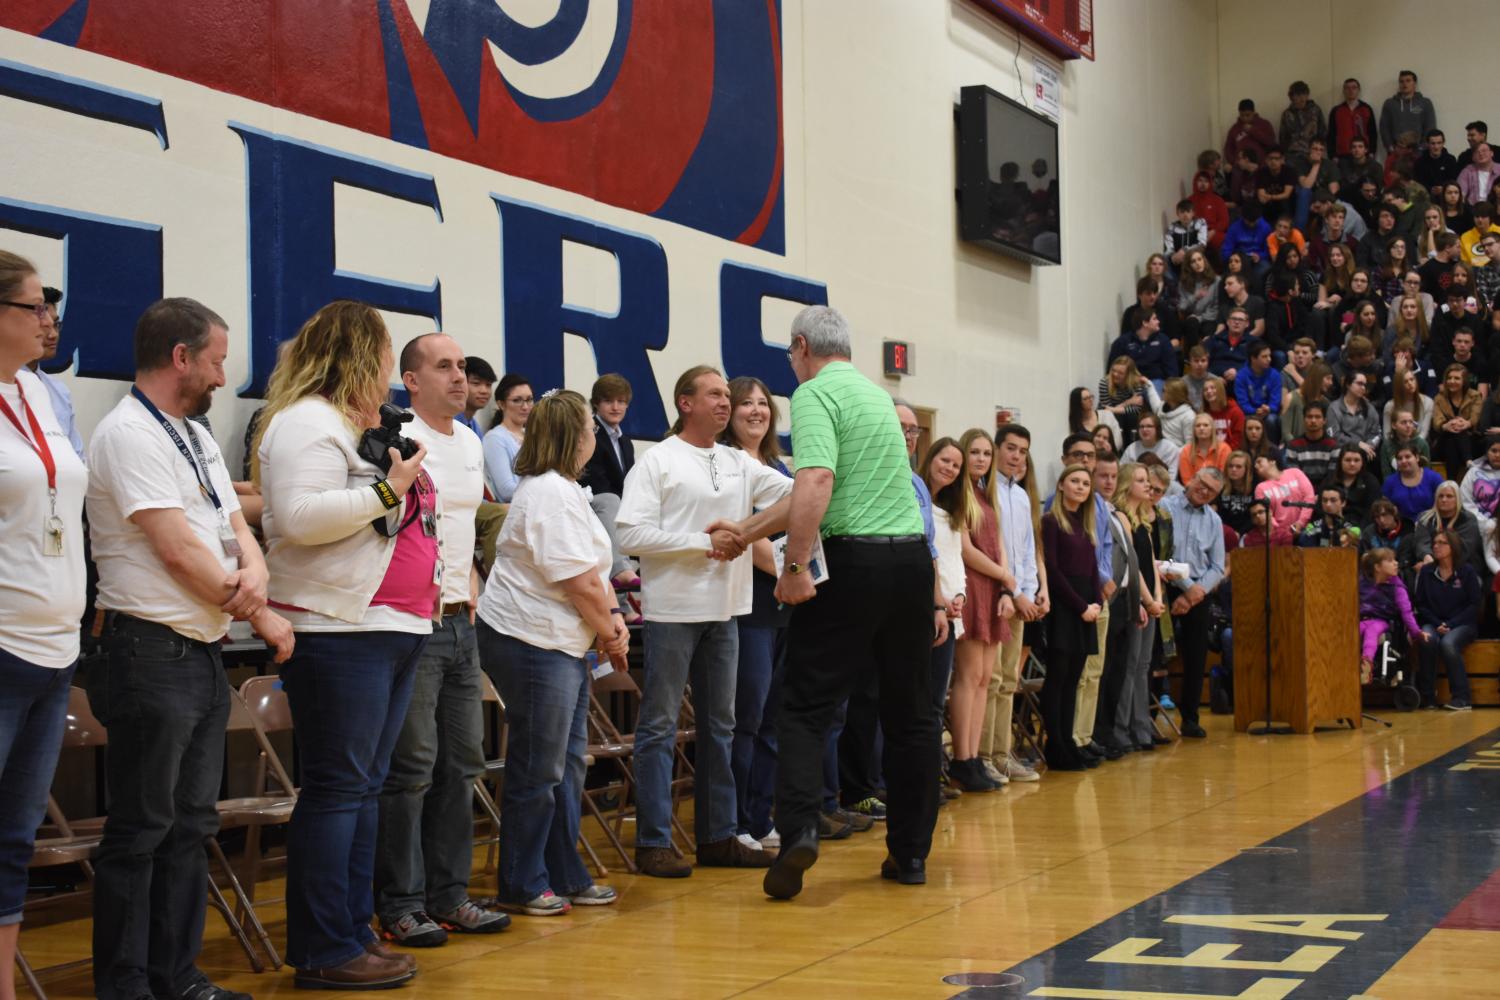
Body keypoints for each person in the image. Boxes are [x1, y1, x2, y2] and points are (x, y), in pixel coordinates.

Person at [87, 297, 292, 1000]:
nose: (223, 374)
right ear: (180, 358)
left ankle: (179, 977)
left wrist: (254, 582)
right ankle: (126, 985)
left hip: (201, 650)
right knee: (141, 828)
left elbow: (238, 532)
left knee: (190, 825)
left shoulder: (195, 436)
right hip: (148, 650)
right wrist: (261, 616)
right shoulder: (127, 434)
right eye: (216, 360)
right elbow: (177, 552)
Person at [712, 305, 940, 899]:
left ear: (802, 346)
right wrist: (746, 530)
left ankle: (798, 836)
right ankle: (910, 855)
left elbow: (816, 483)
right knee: (913, 715)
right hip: (911, 563)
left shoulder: (813, 394)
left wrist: (792, 568)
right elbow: (821, 491)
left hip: (855, 563)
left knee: (805, 705)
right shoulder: (874, 397)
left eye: (791, 354)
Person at [254, 300, 435, 989]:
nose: (389, 368)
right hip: (338, 628)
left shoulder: (352, 425)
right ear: (358, 353)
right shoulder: (306, 422)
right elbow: (299, 520)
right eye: (384, 353)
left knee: (362, 790)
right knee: (337, 790)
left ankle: (353, 929)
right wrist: (388, 491)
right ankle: (324, 946)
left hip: (390, 625)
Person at [615, 365, 792, 877]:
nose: (725, 403)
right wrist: (702, 542)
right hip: (673, 611)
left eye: (726, 396)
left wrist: (746, 529)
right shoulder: (659, 461)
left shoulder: (737, 461)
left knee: (721, 727)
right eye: (714, 395)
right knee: (659, 727)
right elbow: (630, 535)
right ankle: (653, 841)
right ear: (684, 402)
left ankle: (717, 836)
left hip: (727, 612)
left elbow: (791, 495)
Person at [374, 335, 508, 944]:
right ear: (411, 379)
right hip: (412, 623)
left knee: (463, 762)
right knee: (412, 767)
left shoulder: (472, 442)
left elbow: (459, 524)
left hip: (461, 620)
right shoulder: (396, 433)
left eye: (462, 367)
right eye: (445, 367)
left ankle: (450, 895)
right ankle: (400, 902)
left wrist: (473, 576)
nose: (461, 378)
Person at [473, 388, 627, 917]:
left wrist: (615, 622)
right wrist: (608, 629)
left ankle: (564, 871)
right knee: (539, 769)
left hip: (562, 643)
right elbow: (580, 583)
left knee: (565, 766)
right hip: (530, 641)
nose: (593, 436)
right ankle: (522, 880)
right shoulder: (548, 495)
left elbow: (596, 576)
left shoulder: (568, 490)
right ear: (574, 436)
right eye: (588, 426)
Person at [0, 254, 88, 999]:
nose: (47, 318)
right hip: (1, 641)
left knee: (14, 840)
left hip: (54, 643)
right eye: (33, 306)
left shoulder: (43, 393)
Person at [722, 376, 793, 850]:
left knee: (774, 719)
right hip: (749, 605)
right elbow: (748, 537)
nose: (755, 410)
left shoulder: (777, 465)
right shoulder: (726, 464)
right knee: (746, 717)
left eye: (762, 403)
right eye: (745, 403)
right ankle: (736, 822)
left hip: (786, 603)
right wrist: (793, 571)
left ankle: (760, 814)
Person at [948, 429, 1014, 792]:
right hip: (971, 586)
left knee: (986, 680)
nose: (980, 459)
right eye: (974, 452)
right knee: (969, 677)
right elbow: (967, 549)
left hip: (992, 588)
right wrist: (1004, 573)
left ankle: (975, 757)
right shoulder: (960, 496)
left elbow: (999, 542)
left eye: (986, 454)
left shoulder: (986, 496)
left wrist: (1005, 585)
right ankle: (961, 759)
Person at [981, 424, 1044, 784]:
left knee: (1007, 680)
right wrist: (1012, 589)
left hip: (1018, 596)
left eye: (1023, 450)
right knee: (989, 679)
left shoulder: (1021, 495)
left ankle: (1002, 754)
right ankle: (983, 755)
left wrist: (1031, 590)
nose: (1017, 456)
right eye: (1011, 448)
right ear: (997, 448)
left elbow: (1025, 550)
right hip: (994, 594)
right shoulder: (985, 491)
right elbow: (993, 548)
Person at [1040, 465, 1101, 772]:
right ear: (1062, 485)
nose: (1080, 487)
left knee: (1074, 679)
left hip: (1086, 606)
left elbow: (1092, 568)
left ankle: (1068, 741)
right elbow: (1052, 569)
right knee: (1058, 679)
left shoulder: (1086, 524)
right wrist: (1080, 606)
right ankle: (1056, 745)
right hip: (1066, 606)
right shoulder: (1052, 522)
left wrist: (1098, 601)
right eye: (1074, 481)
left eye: (1085, 483)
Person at [1160, 468, 1227, 738]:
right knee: (1157, 654)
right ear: (1192, 479)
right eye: (1202, 484)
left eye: (1211, 490)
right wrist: (1188, 590)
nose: (1204, 491)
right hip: (1165, 588)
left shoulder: (1214, 520)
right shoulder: (1166, 506)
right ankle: (1150, 717)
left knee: (1196, 656)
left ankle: (1190, 718)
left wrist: (1195, 592)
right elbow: (1162, 553)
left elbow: (1218, 566)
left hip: (1198, 593)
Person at [922, 437, 972, 792]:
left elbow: (956, 561)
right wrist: (939, 599)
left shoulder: (954, 511)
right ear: (931, 458)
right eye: (945, 460)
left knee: (936, 701)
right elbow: (928, 558)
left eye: (956, 465)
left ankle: (932, 775)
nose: (949, 468)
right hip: (924, 609)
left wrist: (960, 597)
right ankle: (919, 777)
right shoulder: (916, 499)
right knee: (920, 701)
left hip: (950, 613)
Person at [1107, 463, 1165, 752]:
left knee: (1143, 667)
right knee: (1129, 667)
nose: (1148, 486)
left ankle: (1142, 728)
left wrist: (1157, 595)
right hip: (1134, 600)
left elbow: (1150, 560)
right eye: (1141, 480)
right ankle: (1122, 729)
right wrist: (1146, 599)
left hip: (1149, 599)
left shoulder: (1143, 518)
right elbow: (1132, 564)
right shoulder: (1120, 516)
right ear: (1127, 483)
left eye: (1149, 481)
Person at [578, 373, 640, 592]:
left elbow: (630, 482)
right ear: (596, 403)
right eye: (609, 401)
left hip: (615, 505)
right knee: (611, 501)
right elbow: (595, 481)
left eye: (621, 401)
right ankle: (622, 570)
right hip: (593, 501)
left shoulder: (626, 442)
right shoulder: (590, 433)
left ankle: (628, 603)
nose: (615, 407)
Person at [1412, 528, 1480, 710]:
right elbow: (1421, 604)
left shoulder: (1466, 571)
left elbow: (1474, 604)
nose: (1436, 546)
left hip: (1462, 624)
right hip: (1434, 621)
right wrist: (1437, 624)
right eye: (1434, 543)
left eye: (1442, 543)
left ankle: (1462, 698)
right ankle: (1428, 697)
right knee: (1427, 638)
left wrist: (1450, 624)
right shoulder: (1427, 572)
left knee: (1448, 644)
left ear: (1453, 546)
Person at [22, 285, 83, 460]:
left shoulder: (59, 392)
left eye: (56, 324)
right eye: (43, 325)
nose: (53, 334)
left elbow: (77, 457)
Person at [1357, 547, 1422, 685]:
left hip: (1382, 622)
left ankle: (1366, 667)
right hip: (1362, 620)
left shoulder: (1398, 589)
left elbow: (1407, 614)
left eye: (1395, 560)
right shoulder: (1361, 583)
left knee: (1372, 630)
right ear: (1377, 567)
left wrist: (1416, 633)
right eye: (1390, 560)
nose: (1396, 563)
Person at [1411, 480, 1485, 578]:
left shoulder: (1468, 519)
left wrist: (1436, 565)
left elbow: (1464, 550)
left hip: (1464, 567)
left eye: (1449, 496)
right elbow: (1422, 542)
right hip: (1430, 563)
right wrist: (1426, 556)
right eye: (1440, 496)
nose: (1444, 499)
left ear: (1458, 499)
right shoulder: (1425, 518)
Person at [481, 373, 533, 502]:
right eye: (517, 400)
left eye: (529, 399)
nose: (525, 406)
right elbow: (506, 490)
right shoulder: (494, 438)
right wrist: (545, 493)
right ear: (501, 404)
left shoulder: (532, 434)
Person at [1432, 363, 1484, 477]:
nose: (1452, 381)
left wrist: (1467, 423)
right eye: (1449, 378)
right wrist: (1446, 426)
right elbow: (1437, 421)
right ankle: (1468, 461)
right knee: (1453, 435)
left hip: (1469, 441)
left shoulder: (1475, 396)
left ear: (1464, 380)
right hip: (1443, 441)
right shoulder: (1439, 397)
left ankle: (1451, 481)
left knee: (1455, 439)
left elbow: (1476, 416)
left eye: (1456, 378)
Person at [1108, 306, 1177, 386]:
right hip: (1130, 383)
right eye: (1154, 319)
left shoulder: (1163, 340)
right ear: (1145, 323)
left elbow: (1171, 368)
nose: (1158, 321)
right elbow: (1112, 369)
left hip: (1155, 382)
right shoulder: (1122, 342)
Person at [1253, 453, 1314, 539]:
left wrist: (1301, 523)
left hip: (1307, 526)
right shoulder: (1260, 488)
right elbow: (1266, 514)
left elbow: (1309, 498)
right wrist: (1282, 533)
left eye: (1259, 461)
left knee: (1313, 534)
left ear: (1272, 461)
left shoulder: (1295, 472)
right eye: (1254, 464)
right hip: (1279, 535)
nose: (1255, 466)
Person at [1327, 371, 1382, 460]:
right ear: (1348, 385)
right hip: (1340, 455)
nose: (1363, 388)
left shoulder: (1369, 407)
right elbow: (1334, 435)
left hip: (1365, 455)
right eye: (1359, 384)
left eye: (1365, 385)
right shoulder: (1334, 408)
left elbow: (1376, 433)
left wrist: (1369, 446)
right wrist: (1358, 444)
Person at [1234, 341, 1282, 441]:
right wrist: (1254, 411)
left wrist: (1268, 409)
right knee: (1242, 421)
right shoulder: (1241, 376)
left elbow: (1276, 401)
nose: (1269, 359)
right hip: (1248, 413)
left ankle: (1271, 450)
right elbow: (1242, 402)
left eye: (1269, 356)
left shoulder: (1275, 375)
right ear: (1253, 358)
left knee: (1272, 420)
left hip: (1268, 413)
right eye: (1264, 356)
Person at [1382, 445, 1443, 522]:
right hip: (1401, 526)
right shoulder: (1390, 482)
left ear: (1417, 458)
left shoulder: (1434, 478)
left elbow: (1442, 502)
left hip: (1430, 523)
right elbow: (1385, 506)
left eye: (1407, 457)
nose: (1403, 461)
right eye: (1400, 459)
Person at [1284, 400, 1340, 484]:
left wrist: (1320, 495)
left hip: (1325, 493)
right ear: (1304, 419)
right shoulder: (1293, 446)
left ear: (1324, 420)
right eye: (1309, 417)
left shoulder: (1333, 446)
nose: (1313, 420)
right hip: (1302, 493)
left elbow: (1331, 477)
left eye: (1317, 417)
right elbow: (1294, 478)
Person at [1279, 82, 1326, 172]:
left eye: (1300, 95)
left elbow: (1322, 131)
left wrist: (1319, 151)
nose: (1297, 98)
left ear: (1307, 95)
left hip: (1313, 152)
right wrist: (1283, 155)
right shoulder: (1287, 114)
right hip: (1293, 154)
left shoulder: (1315, 110)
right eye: (1293, 95)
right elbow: (1283, 137)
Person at [1459, 437, 1500, 537]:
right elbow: (1465, 501)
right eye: (1493, 451)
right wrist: (1485, 523)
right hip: (1475, 524)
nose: (1497, 455)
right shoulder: (1473, 472)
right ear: (1486, 452)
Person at [1297, 484, 1361, 548]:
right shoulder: (1313, 527)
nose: (1328, 504)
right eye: (1324, 500)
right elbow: (1307, 552)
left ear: (1343, 503)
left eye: (1333, 500)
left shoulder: (1352, 528)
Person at [1328, 78, 1377, 158]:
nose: (1350, 90)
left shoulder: (1366, 109)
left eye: (1354, 87)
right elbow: (1331, 135)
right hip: (1342, 155)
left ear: (1358, 90)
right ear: (1344, 91)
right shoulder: (1336, 111)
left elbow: (1372, 133)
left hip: (1363, 154)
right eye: (1347, 88)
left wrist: (1372, 151)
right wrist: (1332, 155)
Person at [1179, 412, 1231, 486]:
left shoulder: (1224, 448)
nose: (1201, 428)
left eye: (1206, 425)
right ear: (1194, 430)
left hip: (1218, 490)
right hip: (1195, 492)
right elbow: (1187, 480)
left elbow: (1224, 477)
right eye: (1198, 425)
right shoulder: (1186, 451)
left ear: (1212, 428)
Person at [1217, 451, 1256, 536]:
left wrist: (1240, 533)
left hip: (1248, 533)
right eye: (1230, 466)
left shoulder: (1255, 488)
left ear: (1247, 469)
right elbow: (1217, 515)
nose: (1234, 469)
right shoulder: (1219, 487)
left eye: (1238, 467)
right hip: (1223, 532)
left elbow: (1254, 517)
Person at [1202, 375, 1245, 450]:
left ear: (1220, 390)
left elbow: (1238, 439)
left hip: (1230, 454)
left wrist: (1224, 453)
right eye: (1205, 390)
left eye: (1212, 388)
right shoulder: (1203, 414)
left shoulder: (1235, 412)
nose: (1209, 391)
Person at [460, 355, 496, 436]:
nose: (484, 391)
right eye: (476, 383)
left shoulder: (475, 426)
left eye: (488, 385)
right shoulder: (450, 422)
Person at [1161, 377, 1197, 447]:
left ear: (1172, 394)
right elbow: (1155, 403)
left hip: (1179, 455)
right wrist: (1148, 384)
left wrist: (1172, 454)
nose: (1161, 392)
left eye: (1163, 390)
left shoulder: (1189, 416)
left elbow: (1189, 445)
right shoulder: (1163, 408)